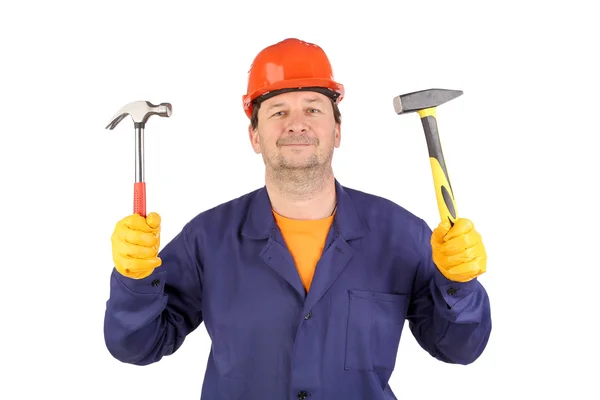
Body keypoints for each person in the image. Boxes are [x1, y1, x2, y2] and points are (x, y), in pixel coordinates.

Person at [104, 38, 492, 399]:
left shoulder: (402, 235)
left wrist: (458, 285)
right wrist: (135, 280)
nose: (297, 123)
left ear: (337, 131)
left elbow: (459, 348)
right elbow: (138, 346)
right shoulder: (207, 239)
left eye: (313, 108)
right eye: (278, 111)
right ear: (254, 136)